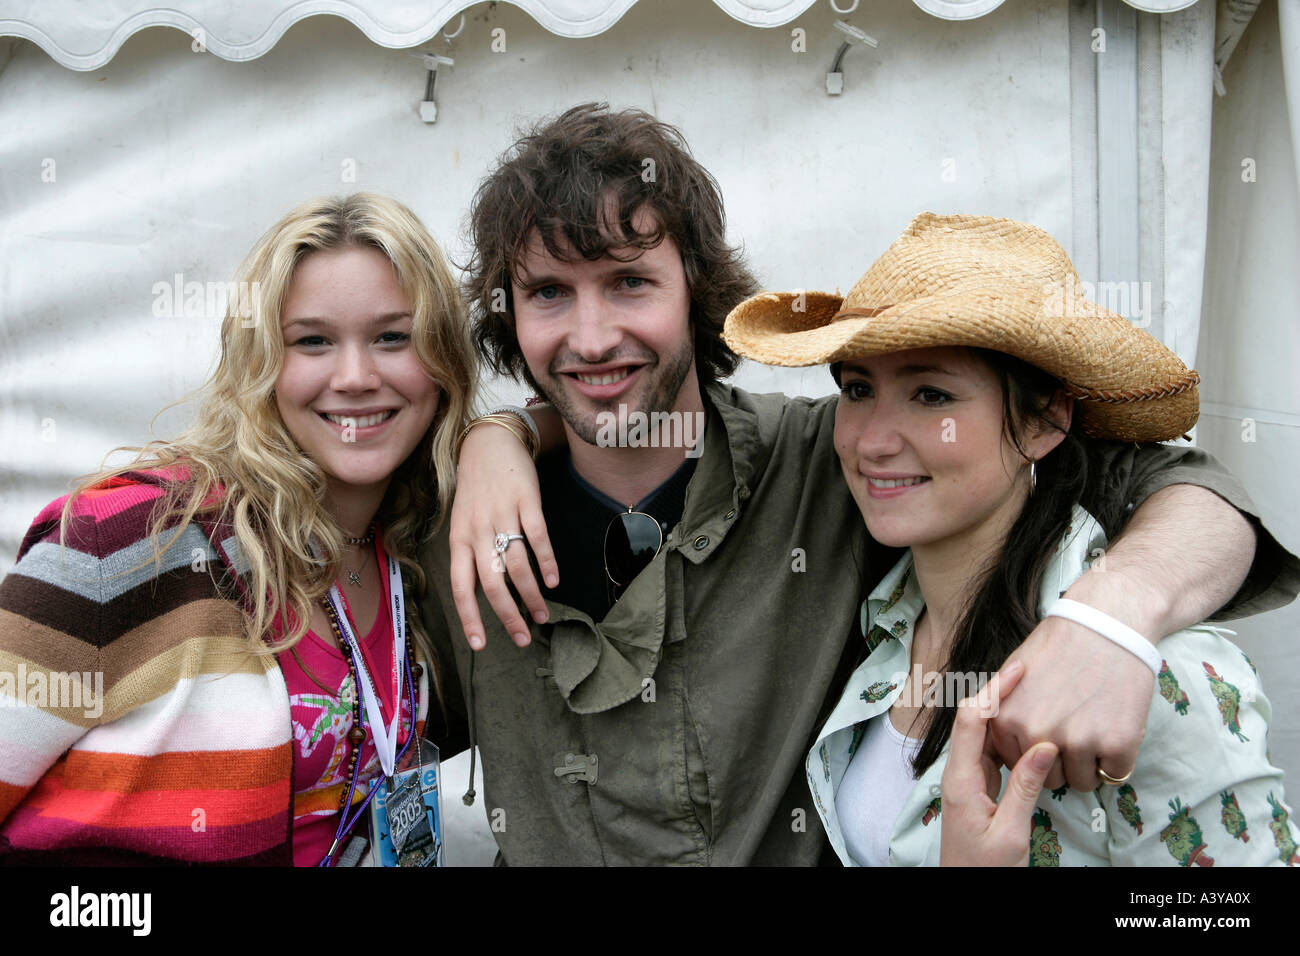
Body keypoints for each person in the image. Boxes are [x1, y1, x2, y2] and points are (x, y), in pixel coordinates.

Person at [427, 103, 1299, 865]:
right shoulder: (445, 522)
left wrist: (1115, 616)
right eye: (547, 293)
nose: (590, 336)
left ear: (696, 290)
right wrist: (494, 435)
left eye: (628, 282)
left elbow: (1176, 480)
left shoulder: (820, 465)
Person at [723, 211, 1299, 866]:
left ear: (1045, 420)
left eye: (932, 395)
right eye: (858, 388)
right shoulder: (884, 622)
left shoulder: (1148, 670)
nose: (871, 441)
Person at [0, 193, 474, 865]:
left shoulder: (414, 552)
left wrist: (512, 435)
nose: (357, 377)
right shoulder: (129, 542)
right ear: (260, 363)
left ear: (444, 361)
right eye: (313, 341)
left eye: (393, 337)